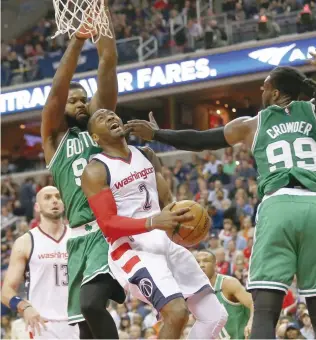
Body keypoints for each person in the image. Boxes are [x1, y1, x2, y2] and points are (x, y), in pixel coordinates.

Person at [126, 44, 316, 338]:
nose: (262, 89)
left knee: (266, 313)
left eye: (266, 87)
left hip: (279, 206)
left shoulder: (252, 124)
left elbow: (201, 139)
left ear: (278, 94)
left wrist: (158, 134)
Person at [80, 109, 228, 339]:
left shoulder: (146, 154)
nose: (110, 117)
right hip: (131, 248)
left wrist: (187, 220)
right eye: (101, 118)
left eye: (112, 114)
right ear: (94, 138)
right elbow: (108, 224)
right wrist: (152, 221)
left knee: (215, 316)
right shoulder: (95, 170)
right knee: (177, 312)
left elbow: (167, 201)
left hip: (164, 238)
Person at [40, 2, 125, 338]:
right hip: (77, 238)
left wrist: (100, 15)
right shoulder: (54, 138)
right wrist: (76, 40)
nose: (78, 103)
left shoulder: (98, 129)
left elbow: (108, 61)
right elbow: (55, 96)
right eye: (73, 101)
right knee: (84, 326)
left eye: (83, 100)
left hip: (108, 229)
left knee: (92, 305)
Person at [1, 186, 79, 339]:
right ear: (37, 206)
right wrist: (25, 307)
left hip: (79, 321)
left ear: (64, 203)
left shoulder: (79, 236)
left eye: (58, 196)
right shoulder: (25, 242)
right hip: (43, 326)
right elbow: (6, 291)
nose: (54, 200)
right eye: (48, 197)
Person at [195, 250, 253, 339]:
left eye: (206, 261)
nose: (201, 265)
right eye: (197, 262)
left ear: (215, 265)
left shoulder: (228, 283)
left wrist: (251, 323)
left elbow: (253, 303)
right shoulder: (198, 293)